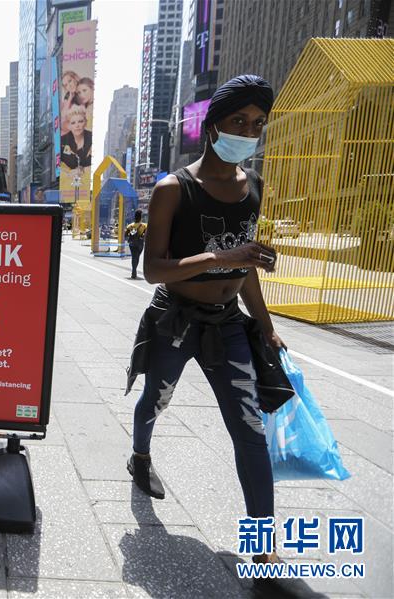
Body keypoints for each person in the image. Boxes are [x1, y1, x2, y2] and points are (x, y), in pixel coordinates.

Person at [124, 75, 310, 591]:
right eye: (238, 122)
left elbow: (245, 270)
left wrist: (267, 327)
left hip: (228, 325)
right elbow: (155, 269)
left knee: (250, 432)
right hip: (176, 319)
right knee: (155, 398)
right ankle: (140, 456)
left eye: (257, 124)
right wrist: (220, 256)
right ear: (211, 128)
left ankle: (264, 554)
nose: (248, 133)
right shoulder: (173, 189)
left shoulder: (254, 187)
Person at [60, 104, 92, 174]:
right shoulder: (62, 141)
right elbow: (57, 165)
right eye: (73, 123)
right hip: (66, 178)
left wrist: (83, 170)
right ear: (69, 125)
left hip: (87, 178)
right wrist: (68, 173)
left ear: (86, 122)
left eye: (80, 121)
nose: (77, 125)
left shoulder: (91, 139)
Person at [125, 209, 147, 279]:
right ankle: (134, 271)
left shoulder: (130, 225)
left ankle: (134, 271)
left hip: (132, 244)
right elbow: (146, 235)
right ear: (141, 217)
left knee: (134, 257)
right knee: (137, 257)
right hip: (140, 244)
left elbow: (126, 235)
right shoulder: (144, 225)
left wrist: (131, 235)